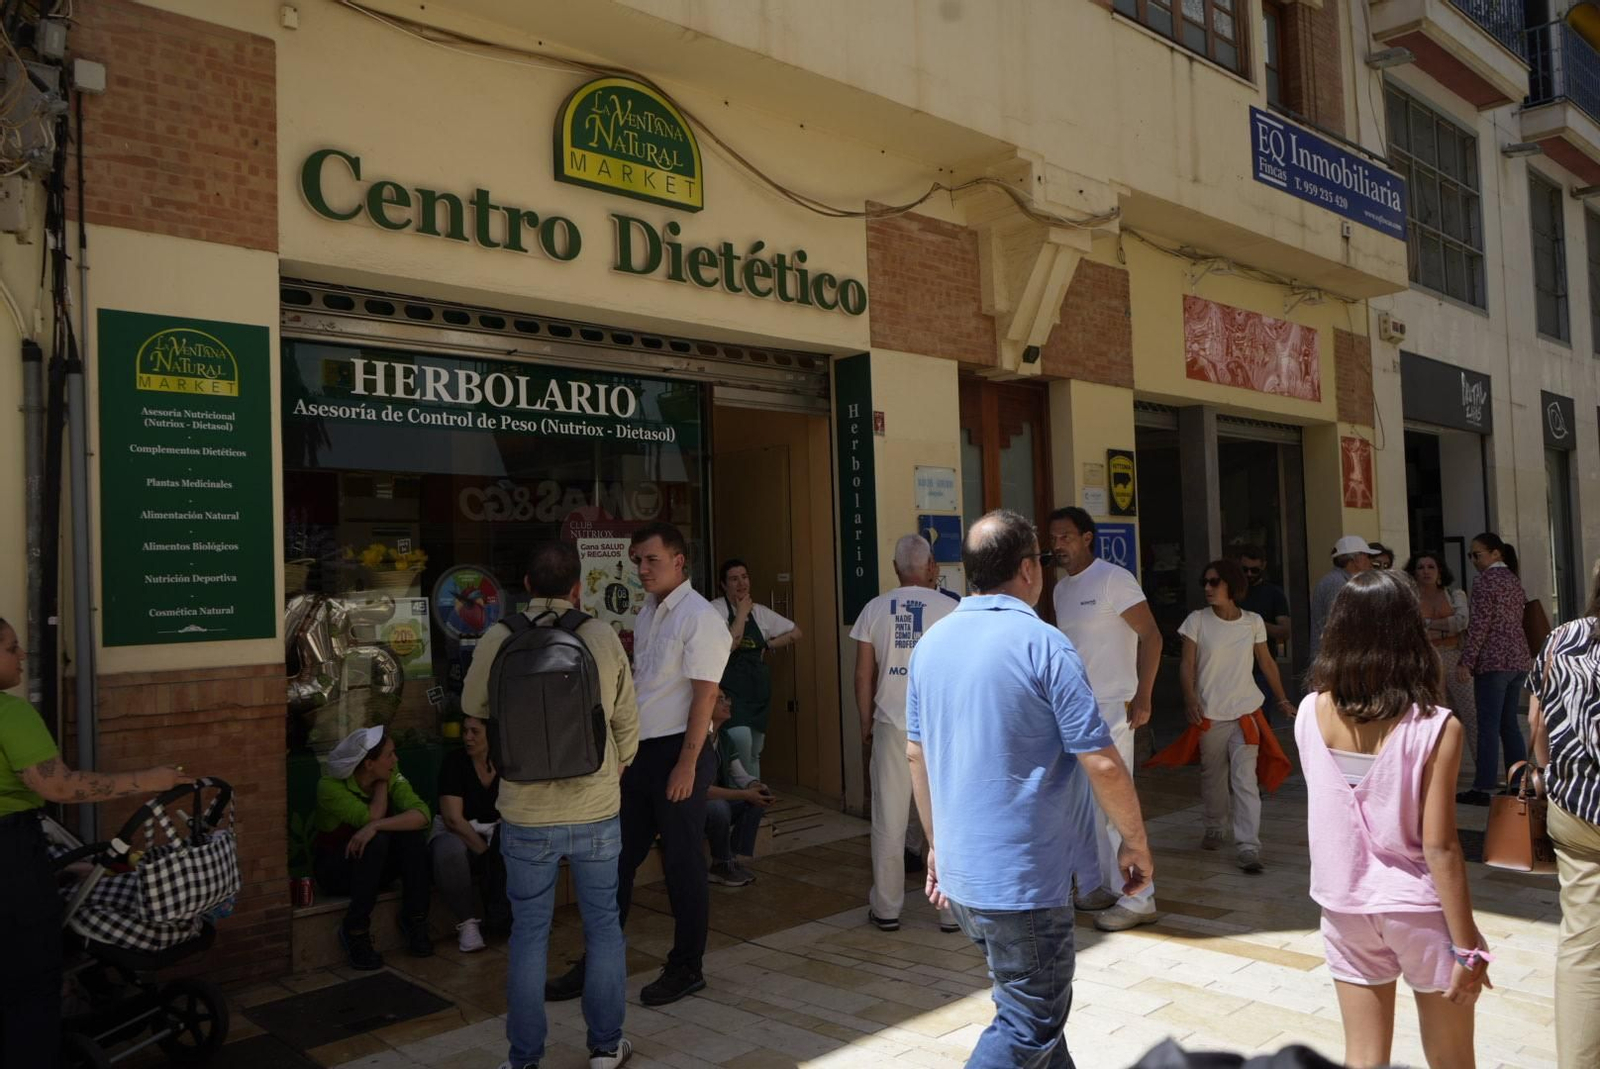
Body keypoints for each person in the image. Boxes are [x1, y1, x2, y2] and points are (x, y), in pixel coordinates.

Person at [907, 510, 1154, 1068]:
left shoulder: (931, 644)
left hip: (964, 880)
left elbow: (915, 754)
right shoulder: (1045, 644)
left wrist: (937, 845)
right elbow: (1102, 762)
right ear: (1027, 569)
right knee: (1028, 1022)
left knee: (1036, 1016)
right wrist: (1135, 843)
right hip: (1023, 883)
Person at [1298, 570, 1491, 1069]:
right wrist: (1468, 945)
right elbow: (1441, 846)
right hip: (1418, 908)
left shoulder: (1308, 713)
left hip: (1344, 906)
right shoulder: (1436, 726)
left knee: (1363, 1059)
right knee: (1453, 1061)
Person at [462, 541, 639, 1069]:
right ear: (577, 588)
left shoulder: (499, 636)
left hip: (525, 812)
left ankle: (524, 1059)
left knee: (529, 935)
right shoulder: (600, 636)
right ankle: (605, 1048)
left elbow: (473, 705)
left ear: (526, 585)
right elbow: (626, 722)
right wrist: (614, 770)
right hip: (595, 809)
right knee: (603, 927)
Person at [548, 522, 729, 1008]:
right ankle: (598, 961)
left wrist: (687, 764)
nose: (642, 569)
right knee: (617, 860)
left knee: (683, 864)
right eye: (637, 560)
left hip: (680, 751)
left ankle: (687, 966)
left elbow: (705, 696)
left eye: (651, 559)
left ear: (678, 561)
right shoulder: (648, 612)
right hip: (642, 754)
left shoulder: (700, 617)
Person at [1, 618, 187, 1069]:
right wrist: (149, 780)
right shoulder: (11, 713)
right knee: (29, 980)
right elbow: (59, 786)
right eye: (11, 647)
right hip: (10, 853)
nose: (22, 655)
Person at [1048, 506, 1163, 932]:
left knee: (1116, 801)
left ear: (1087, 538)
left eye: (1065, 536)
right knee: (1087, 805)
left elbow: (1152, 636)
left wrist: (1144, 695)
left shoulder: (1115, 579)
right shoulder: (1061, 590)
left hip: (1113, 705)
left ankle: (1141, 898)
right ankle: (1103, 886)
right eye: (1053, 538)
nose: (1057, 544)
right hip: (1074, 707)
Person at [851, 533, 958, 933]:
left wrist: (866, 722)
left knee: (888, 821)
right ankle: (950, 911)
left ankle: (887, 908)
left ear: (895, 568)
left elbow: (863, 675)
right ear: (930, 567)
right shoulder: (952, 609)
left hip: (891, 725)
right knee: (945, 819)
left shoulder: (874, 609)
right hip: (941, 729)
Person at [1527, 559, 1600, 1069]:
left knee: (1582, 947)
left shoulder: (1563, 637)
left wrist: (1554, 777)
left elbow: (1537, 723)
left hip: (1575, 808)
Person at [1179, 559, 1296, 873]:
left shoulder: (1253, 621)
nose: (1208, 588)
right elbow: (1187, 664)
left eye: (1214, 582)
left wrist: (1282, 698)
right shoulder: (1196, 621)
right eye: (1205, 582)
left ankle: (1248, 845)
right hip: (1209, 714)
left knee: (1245, 780)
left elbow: (1267, 662)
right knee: (1213, 776)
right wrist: (1190, 699)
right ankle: (1215, 824)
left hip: (1246, 713)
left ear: (1232, 585)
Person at [314, 725, 433, 969]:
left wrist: (376, 826)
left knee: (412, 837)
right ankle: (355, 929)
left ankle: (414, 918)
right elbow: (371, 816)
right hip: (337, 871)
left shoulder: (389, 773)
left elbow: (422, 814)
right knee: (376, 841)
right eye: (389, 755)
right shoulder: (329, 786)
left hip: (374, 869)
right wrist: (381, 787)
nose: (395, 760)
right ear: (369, 764)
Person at [1454, 532, 1532, 806]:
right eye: (1471, 556)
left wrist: (1467, 661)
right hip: (1517, 659)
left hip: (1493, 661)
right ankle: (1518, 782)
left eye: (1478, 554)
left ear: (1496, 553)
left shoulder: (1485, 581)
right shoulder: (1512, 579)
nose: (1474, 560)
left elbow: (1479, 625)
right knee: (1509, 724)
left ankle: (1484, 786)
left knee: (1487, 726)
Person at [708, 560, 801, 780]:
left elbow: (796, 632)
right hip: (730, 690)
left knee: (755, 751)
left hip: (757, 690)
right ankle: (740, 793)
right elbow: (731, 643)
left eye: (744, 577)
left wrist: (768, 645)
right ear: (723, 585)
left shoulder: (760, 612)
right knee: (740, 740)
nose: (741, 583)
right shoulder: (715, 610)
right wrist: (741, 613)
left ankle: (753, 797)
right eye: (734, 579)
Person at [429, 715, 510, 953]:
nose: (467, 737)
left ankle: (518, 914)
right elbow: (453, 819)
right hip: (459, 833)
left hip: (494, 834)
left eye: (475, 732)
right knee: (449, 850)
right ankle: (467, 923)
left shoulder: (505, 762)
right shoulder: (454, 762)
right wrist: (487, 856)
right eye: (465, 731)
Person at [1405, 552, 1476, 778]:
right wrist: (1445, 627)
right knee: (1431, 714)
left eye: (1431, 567)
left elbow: (1462, 622)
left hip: (1454, 658)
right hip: (1425, 661)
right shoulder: (1410, 599)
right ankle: (1433, 770)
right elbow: (1412, 629)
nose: (1426, 571)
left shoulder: (1455, 594)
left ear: (1440, 571)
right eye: (1420, 567)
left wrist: (1429, 625)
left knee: (1471, 713)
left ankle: (1483, 769)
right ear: (1414, 572)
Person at [704, 690, 775, 888]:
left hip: (718, 802)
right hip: (696, 806)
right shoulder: (696, 739)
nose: (727, 703)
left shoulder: (724, 737)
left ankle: (730, 858)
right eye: (720, 700)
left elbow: (740, 775)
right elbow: (702, 790)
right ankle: (721, 863)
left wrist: (755, 786)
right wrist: (745, 793)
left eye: (727, 699)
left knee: (758, 798)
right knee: (719, 807)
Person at [1229, 543, 1293, 716]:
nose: (1249, 574)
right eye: (1245, 569)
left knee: (1260, 721)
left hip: (1261, 668)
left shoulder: (1273, 594)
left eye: (1254, 570)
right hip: (1232, 668)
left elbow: (1284, 631)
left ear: (1263, 566)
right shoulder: (1230, 592)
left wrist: (1254, 622)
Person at [1309, 535, 1375, 662]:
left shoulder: (1341, 581)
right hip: (1335, 660)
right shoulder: (1337, 583)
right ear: (1356, 559)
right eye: (1367, 556)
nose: (1370, 562)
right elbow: (1339, 625)